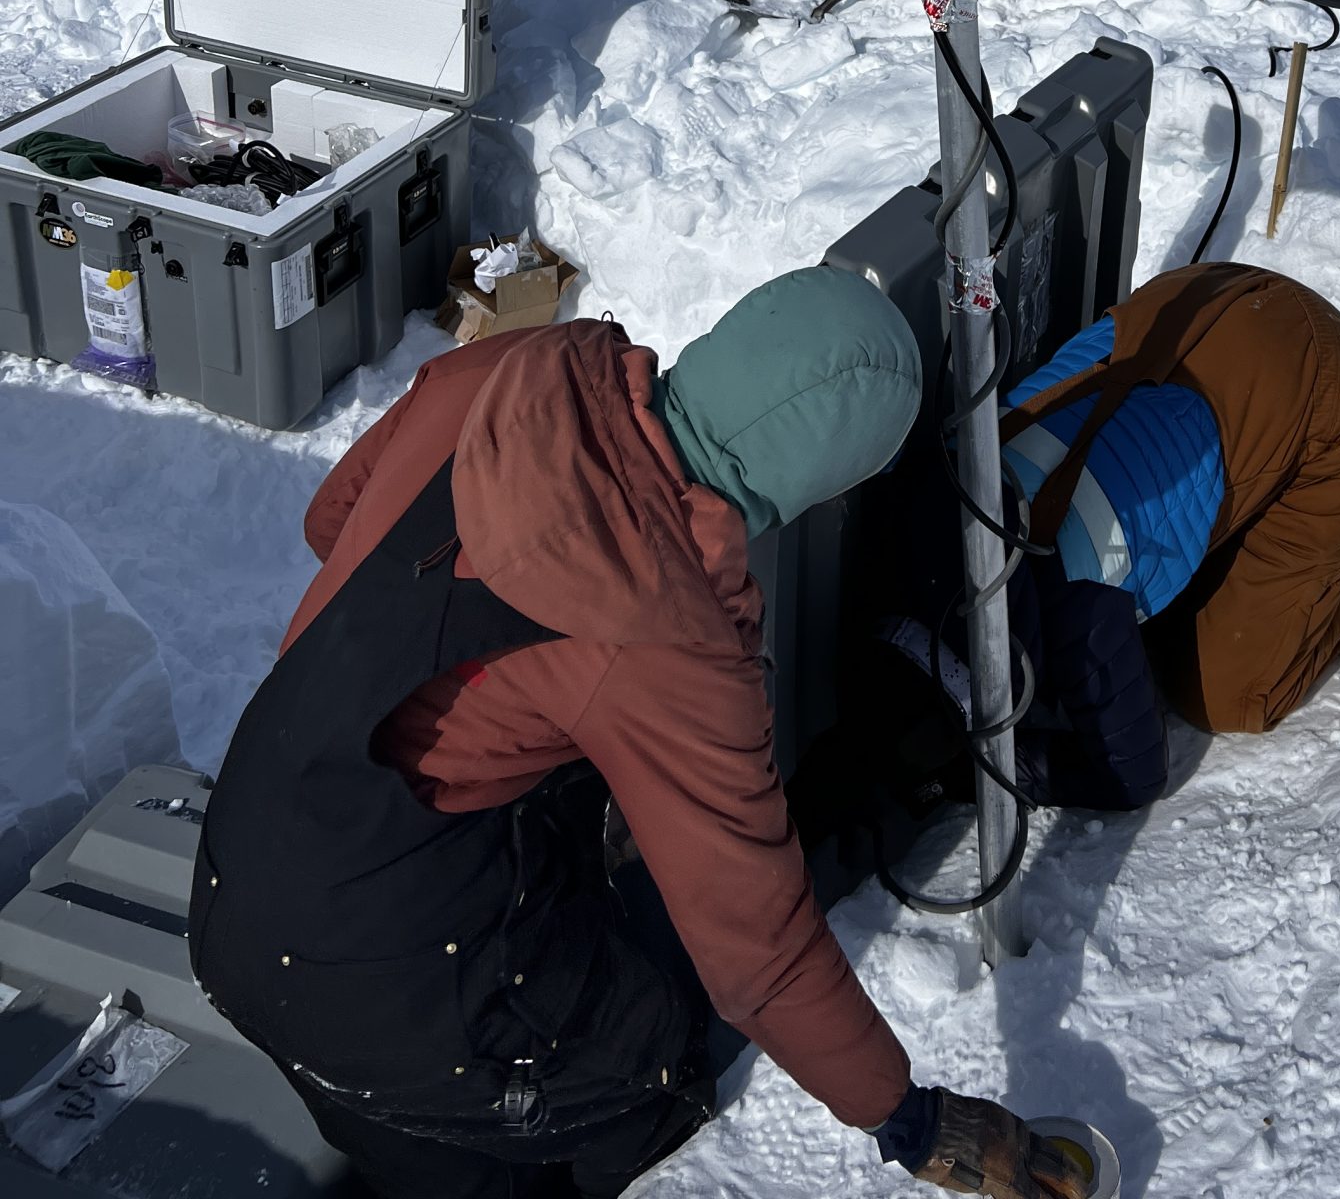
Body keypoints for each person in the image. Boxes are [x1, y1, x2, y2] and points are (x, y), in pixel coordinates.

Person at [189, 268, 1090, 1199]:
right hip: (372, 975)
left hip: (235, 860)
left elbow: (328, 519)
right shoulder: (669, 635)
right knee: (653, 1058)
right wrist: (908, 1117)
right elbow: (758, 954)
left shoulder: (513, 369)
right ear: (822, 478)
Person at [872, 259, 1340, 816]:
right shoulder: (938, 480)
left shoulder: (1079, 602)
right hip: (1201, 300)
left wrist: (982, 771)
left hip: (1329, 396)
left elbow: (1131, 777)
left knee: (1231, 695)